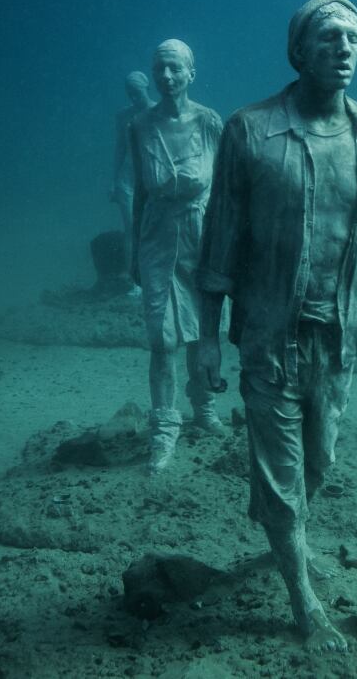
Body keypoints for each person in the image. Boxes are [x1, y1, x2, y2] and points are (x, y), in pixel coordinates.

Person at [197, 0, 357, 653]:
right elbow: (219, 241)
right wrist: (205, 340)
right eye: (329, 37)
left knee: (321, 458)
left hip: (339, 337)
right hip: (269, 334)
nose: (344, 47)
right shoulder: (249, 131)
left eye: (355, 37)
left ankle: (281, 523)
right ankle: (303, 597)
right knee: (282, 469)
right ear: (299, 50)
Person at [130, 41, 225, 472]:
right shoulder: (140, 126)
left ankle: (203, 409)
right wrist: (133, 250)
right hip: (156, 237)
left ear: (191, 73)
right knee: (162, 337)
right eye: (159, 69)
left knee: (204, 330)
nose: (165, 77)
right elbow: (139, 192)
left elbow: (226, 192)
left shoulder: (210, 123)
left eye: (174, 69)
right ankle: (164, 430)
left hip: (201, 235)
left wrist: (229, 248)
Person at [107, 71, 154, 295]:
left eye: (137, 92)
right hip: (127, 179)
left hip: (151, 178)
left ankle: (155, 275)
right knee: (131, 229)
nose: (134, 97)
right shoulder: (122, 116)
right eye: (130, 93)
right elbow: (119, 149)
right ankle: (134, 281)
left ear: (146, 88)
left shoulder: (159, 112)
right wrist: (113, 180)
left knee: (152, 227)